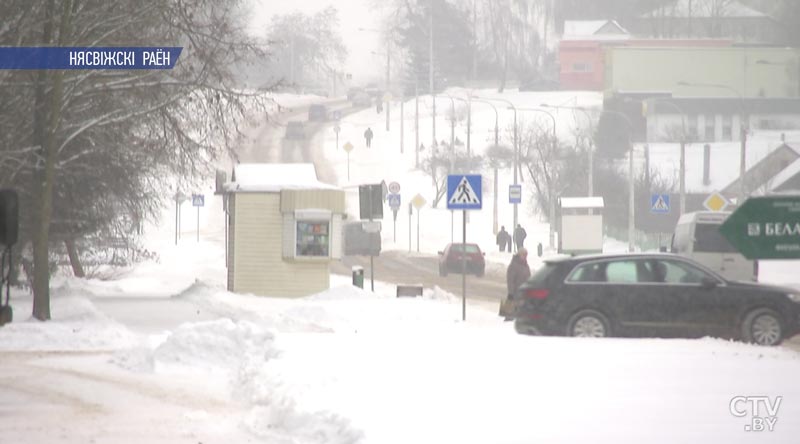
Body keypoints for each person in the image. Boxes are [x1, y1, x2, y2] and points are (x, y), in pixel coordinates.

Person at [503, 248, 531, 320]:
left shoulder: (526, 265)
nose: (525, 256)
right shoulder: (513, 265)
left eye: (526, 255)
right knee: (509, 314)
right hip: (515, 291)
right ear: (519, 255)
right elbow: (510, 280)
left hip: (524, 291)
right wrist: (511, 292)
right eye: (523, 255)